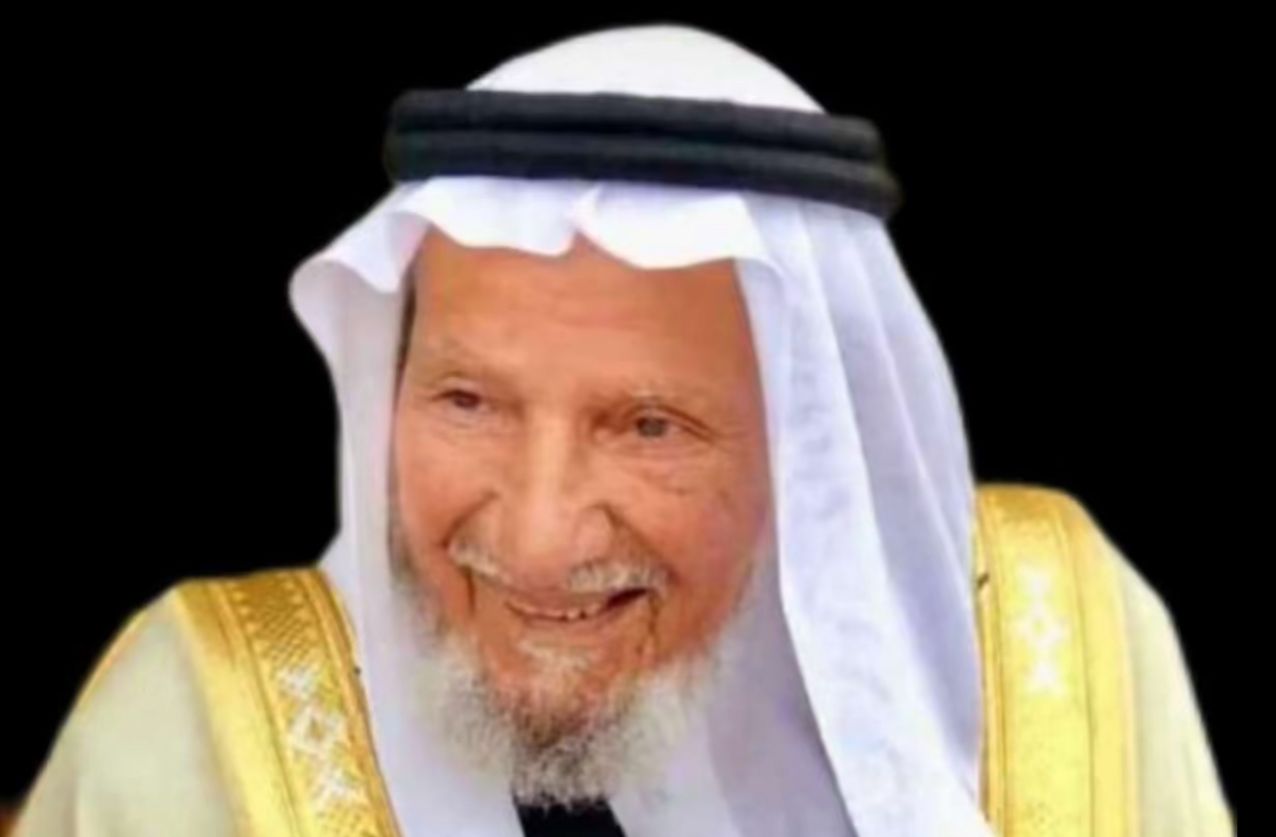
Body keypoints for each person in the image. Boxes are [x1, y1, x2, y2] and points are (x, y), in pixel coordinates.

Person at [13, 24, 1231, 837]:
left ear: (813, 457)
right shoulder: (198, 730)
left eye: (649, 426)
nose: (538, 539)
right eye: (467, 403)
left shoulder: (1062, 652)